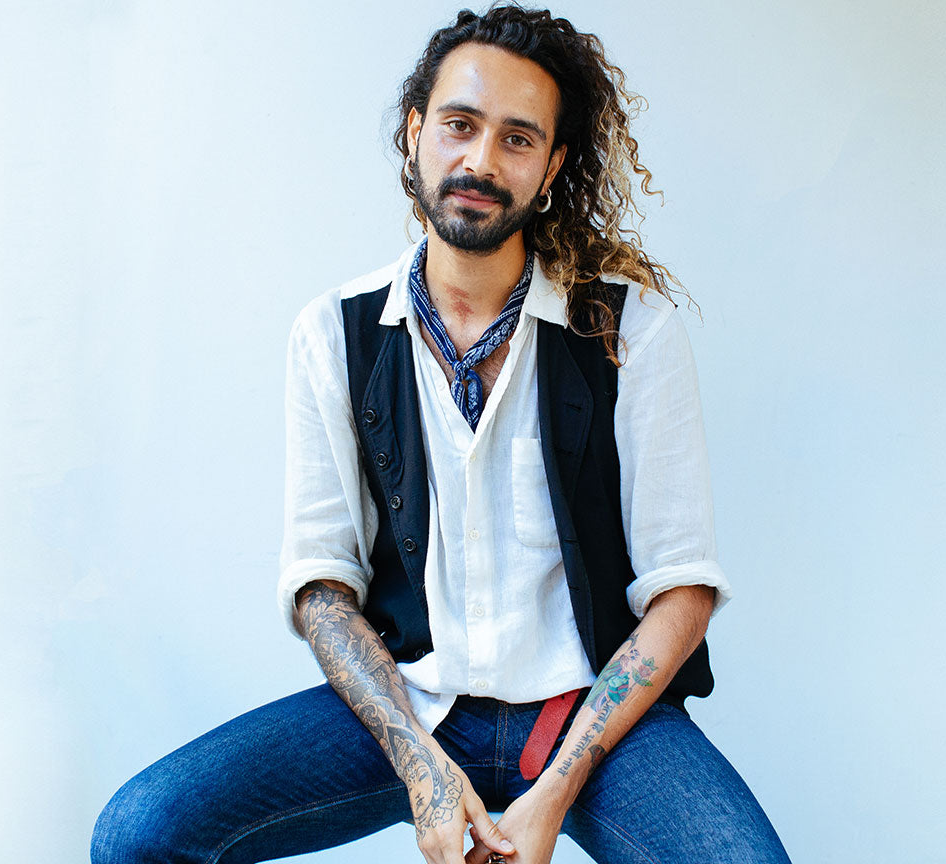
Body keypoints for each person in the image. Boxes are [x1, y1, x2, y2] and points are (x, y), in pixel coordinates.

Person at [91, 6, 791, 863]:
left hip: (587, 716)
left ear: (552, 166)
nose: (481, 160)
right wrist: (419, 766)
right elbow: (322, 585)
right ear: (416, 132)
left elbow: (682, 590)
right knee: (138, 834)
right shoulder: (334, 334)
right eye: (460, 125)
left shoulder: (630, 330)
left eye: (518, 139)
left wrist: (555, 790)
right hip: (411, 707)